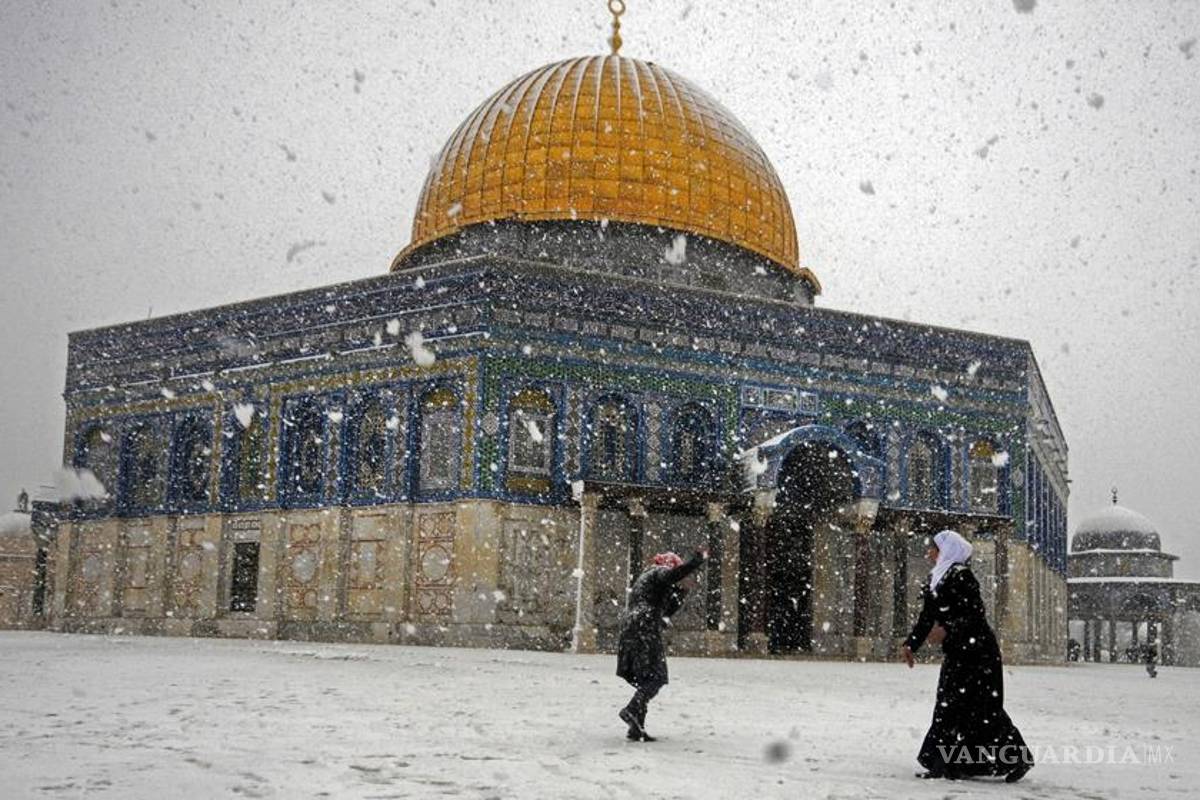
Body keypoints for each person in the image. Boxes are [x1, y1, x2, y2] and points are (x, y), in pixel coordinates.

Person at [901, 529, 1033, 783]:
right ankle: (943, 764)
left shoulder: (963, 577)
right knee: (951, 706)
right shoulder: (936, 579)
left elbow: (974, 614)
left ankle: (1016, 758)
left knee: (982, 709)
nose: (929, 553)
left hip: (978, 653)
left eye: (934, 549)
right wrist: (911, 645)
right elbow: (927, 618)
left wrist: (948, 628)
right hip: (959, 652)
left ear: (947, 552)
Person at [616, 547, 707, 742]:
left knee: (645, 677)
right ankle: (631, 710)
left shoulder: (648, 579)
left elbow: (666, 612)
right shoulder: (659, 572)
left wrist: (681, 592)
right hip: (644, 626)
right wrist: (694, 563)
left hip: (632, 627)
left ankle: (636, 727)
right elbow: (673, 576)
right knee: (657, 676)